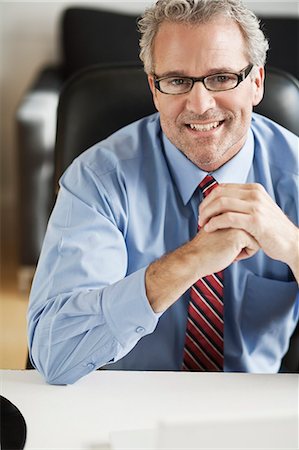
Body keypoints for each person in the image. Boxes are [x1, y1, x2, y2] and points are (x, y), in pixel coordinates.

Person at [27, 0, 299, 385]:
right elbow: (57, 354)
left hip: (254, 408)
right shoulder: (98, 179)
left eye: (221, 77)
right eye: (177, 81)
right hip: (127, 404)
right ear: (155, 90)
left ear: (256, 82)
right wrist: (190, 261)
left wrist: (292, 244)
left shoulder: (295, 173)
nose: (201, 105)